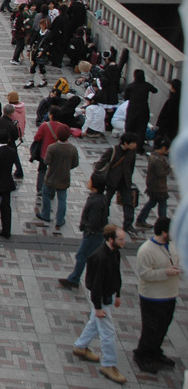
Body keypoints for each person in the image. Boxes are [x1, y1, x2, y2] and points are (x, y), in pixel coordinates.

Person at [70, 225, 127, 385]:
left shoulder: (114, 252)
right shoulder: (100, 257)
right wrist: (98, 308)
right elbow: (95, 285)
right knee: (108, 333)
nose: (124, 242)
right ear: (110, 239)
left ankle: (80, 346)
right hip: (100, 298)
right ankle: (108, 364)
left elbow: (117, 273)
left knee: (94, 324)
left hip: (107, 295)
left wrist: (118, 294)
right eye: (121, 239)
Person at [132, 217, 181, 374]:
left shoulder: (172, 245)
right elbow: (144, 274)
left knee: (163, 327)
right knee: (151, 328)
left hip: (170, 295)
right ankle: (142, 355)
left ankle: (155, 351)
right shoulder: (146, 250)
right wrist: (166, 272)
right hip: (152, 297)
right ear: (164, 232)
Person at [95, 132, 139, 233]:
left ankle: (128, 224)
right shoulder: (112, 150)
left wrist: (129, 178)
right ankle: (103, 221)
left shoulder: (132, 152)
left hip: (125, 181)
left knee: (128, 202)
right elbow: (100, 164)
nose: (135, 145)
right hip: (112, 181)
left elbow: (131, 166)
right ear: (126, 143)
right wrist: (98, 178)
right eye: (133, 143)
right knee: (106, 201)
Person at [136, 137, 171, 226]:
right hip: (158, 187)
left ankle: (141, 219)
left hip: (154, 186)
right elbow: (160, 173)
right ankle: (163, 224)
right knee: (162, 206)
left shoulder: (154, 156)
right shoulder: (157, 160)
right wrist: (169, 169)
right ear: (163, 148)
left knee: (152, 203)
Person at [123, 69, 158, 152]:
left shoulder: (130, 86)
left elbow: (126, 97)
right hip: (143, 108)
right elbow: (155, 90)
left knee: (130, 126)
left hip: (133, 108)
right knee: (141, 129)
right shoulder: (147, 85)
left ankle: (128, 144)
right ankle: (139, 147)